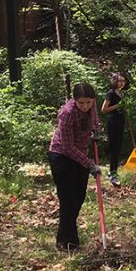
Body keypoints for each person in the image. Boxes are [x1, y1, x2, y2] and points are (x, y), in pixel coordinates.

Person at [48, 82, 101, 252]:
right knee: (68, 201)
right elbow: (68, 147)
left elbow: (95, 121)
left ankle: (61, 239)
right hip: (62, 156)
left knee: (78, 199)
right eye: (81, 103)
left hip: (81, 156)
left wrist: (95, 130)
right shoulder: (67, 114)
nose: (85, 106)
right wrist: (89, 164)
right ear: (74, 100)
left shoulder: (91, 106)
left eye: (88, 102)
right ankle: (72, 244)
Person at [100, 72, 127, 187]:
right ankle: (112, 173)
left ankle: (114, 170)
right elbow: (103, 109)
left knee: (118, 146)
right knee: (114, 147)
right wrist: (118, 106)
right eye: (119, 81)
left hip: (120, 122)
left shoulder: (122, 93)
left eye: (123, 81)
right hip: (113, 122)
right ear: (115, 81)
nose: (121, 83)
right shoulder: (110, 93)